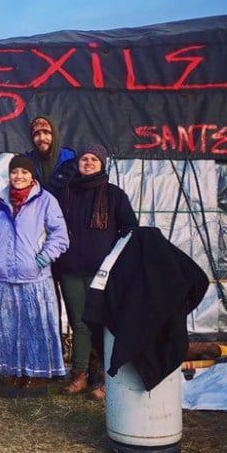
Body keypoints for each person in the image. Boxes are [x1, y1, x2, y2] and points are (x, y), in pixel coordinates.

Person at [56, 143, 138, 400]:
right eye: (84, 159)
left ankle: (103, 377)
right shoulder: (66, 193)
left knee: (102, 323)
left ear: (102, 163)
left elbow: (129, 229)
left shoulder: (114, 195)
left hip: (102, 271)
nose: (88, 162)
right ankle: (79, 374)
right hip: (70, 269)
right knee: (79, 323)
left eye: (94, 159)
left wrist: (114, 256)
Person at [0, 154, 70, 395]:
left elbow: (60, 235)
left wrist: (42, 259)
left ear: (32, 175)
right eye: (15, 172)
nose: (19, 176)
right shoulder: (1, 201)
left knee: (37, 327)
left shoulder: (46, 201)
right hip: (5, 277)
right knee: (11, 327)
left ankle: (38, 375)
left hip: (34, 276)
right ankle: (17, 372)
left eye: (24, 172)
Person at [25, 116, 76, 198]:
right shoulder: (28, 162)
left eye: (46, 132)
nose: (41, 138)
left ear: (54, 135)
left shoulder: (70, 160)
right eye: (37, 134)